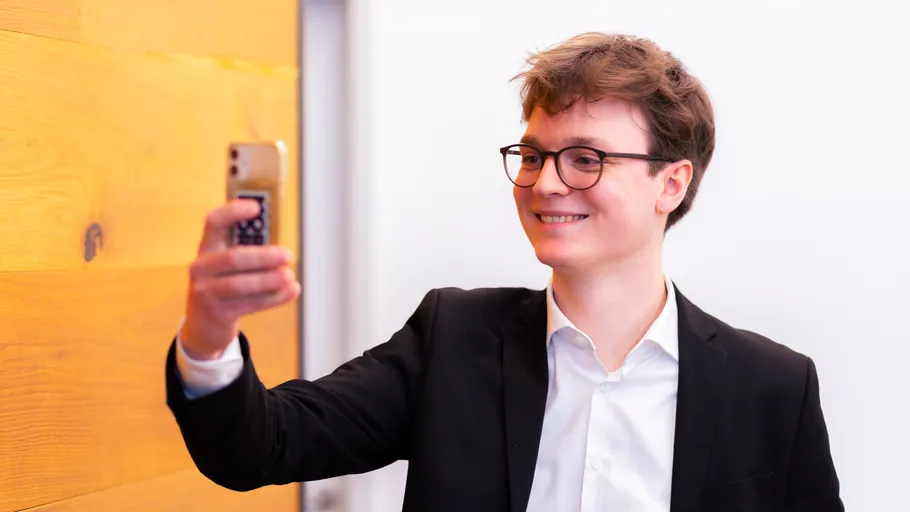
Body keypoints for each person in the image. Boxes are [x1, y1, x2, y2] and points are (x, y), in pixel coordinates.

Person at [165, 33, 843, 512]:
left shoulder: (772, 388)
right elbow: (260, 448)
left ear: (670, 183)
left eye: (585, 158)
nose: (546, 183)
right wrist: (209, 335)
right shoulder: (452, 337)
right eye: (532, 155)